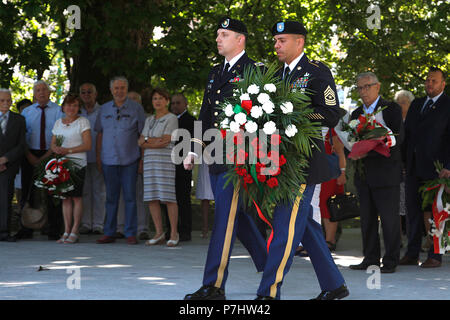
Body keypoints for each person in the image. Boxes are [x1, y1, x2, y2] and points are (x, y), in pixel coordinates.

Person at [183, 17, 268, 300]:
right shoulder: (215, 72)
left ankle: (213, 285)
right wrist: (194, 148)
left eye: (224, 34)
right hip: (216, 156)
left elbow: (264, 117)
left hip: (240, 158)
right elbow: (205, 113)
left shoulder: (256, 71)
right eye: (218, 34)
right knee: (236, 214)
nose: (218, 39)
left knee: (224, 219)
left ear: (240, 39)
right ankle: (270, 265)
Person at [349, 72, 404, 273]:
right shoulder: (355, 115)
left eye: (367, 86)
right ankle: (370, 259)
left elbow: (398, 138)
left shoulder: (392, 109)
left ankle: (390, 260)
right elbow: (349, 141)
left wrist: (374, 144)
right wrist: (355, 150)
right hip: (364, 174)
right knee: (367, 219)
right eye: (360, 88)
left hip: (386, 173)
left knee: (389, 220)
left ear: (377, 86)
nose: (363, 91)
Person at [401, 67, 450, 268]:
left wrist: (448, 166)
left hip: (438, 169)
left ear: (443, 84)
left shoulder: (448, 105)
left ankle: (435, 255)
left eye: (434, 81)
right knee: (412, 210)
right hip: (413, 167)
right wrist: (403, 162)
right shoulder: (417, 104)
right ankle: (412, 253)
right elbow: (407, 135)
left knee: (437, 211)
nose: (430, 84)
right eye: (428, 80)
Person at [95, 76, 146, 245]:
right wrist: (98, 157)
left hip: (130, 159)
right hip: (108, 159)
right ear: (111, 90)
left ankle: (130, 232)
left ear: (127, 89)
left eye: (122, 88)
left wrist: (141, 160)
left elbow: (142, 136)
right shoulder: (103, 109)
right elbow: (100, 134)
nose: (119, 91)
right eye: (116, 88)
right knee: (110, 197)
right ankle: (109, 232)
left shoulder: (136, 108)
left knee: (131, 197)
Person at [17, 80, 64, 240]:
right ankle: (26, 227)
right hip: (29, 154)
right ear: (34, 93)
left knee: (52, 193)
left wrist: (46, 156)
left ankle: (53, 228)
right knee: (27, 191)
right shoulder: (27, 112)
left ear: (49, 92)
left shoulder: (58, 111)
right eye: (38, 90)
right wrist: (29, 155)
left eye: (44, 89)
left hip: (51, 153)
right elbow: (21, 137)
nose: (41, 93)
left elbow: (59, 136)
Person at [138, 88, 179, 247]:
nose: (157, 101)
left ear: (167, 101)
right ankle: (159, 232)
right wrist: (149, 141)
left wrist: (148, 141)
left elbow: (166, 141)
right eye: (155, 98)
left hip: (165, 162)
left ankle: (174, 233)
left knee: (168, 197)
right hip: (149, 162)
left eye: (161, 98)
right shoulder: (149, 120)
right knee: (152, 197)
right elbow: (139, 141)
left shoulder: (171, 118)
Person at [51, 93, 92, 243]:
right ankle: (66, 230)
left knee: (76, 197)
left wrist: (68, 151)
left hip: (77, 164)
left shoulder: (83, 122)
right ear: (63, 107)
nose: (71, 108)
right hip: (61, 165)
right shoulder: (57, 123)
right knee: (65, 198)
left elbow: (87, 145)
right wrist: (56, 149)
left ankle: (75, 230)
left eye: (75, 105)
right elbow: (53, 144)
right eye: (69, 105)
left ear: (78, 108)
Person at [114, 91, 150, 240]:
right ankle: (121, 227)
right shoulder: (120, 117)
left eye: (136, 99)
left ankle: (142, 228)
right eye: (130, 100)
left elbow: (145, 142)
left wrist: (142, 160)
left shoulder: (148, 119)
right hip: (122, 162)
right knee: (123, 195)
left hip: (139, 160)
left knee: (141, 195)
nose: (133, 102)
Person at [79, 83, 105, 235]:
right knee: (84, 192)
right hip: (80, 158)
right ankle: (86, 223)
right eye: (83, 92)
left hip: (99, 157)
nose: (86, 95)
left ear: (95, 94)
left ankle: (98, 224)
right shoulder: (77, 111)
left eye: (89, 92)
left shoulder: (103, 111)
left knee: (99, 192)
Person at [0, 89, 26, 242]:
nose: (5, 103)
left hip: (8, 165)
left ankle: (4, 231)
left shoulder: (19, 120)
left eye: (8, 100)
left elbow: (21, 145)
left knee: (5, 197)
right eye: (2, 100)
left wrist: (4, 160)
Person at [169, 93, 196, 241]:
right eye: (172, 103)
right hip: (169, 163)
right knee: (169, 198)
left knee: (183, 198)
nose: (174, 106)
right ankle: (171, 230)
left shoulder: (191, 120)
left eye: (178, 103)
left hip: (184, 164)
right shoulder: (168, 119)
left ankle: (185, 231)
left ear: (185, 104)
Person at [320, 128, 346, 251]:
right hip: (320, 174)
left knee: (329, 207)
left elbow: (340, 151)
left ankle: (330, 240)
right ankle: (324, 239)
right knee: (321, 207)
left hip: (331, 174)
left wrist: (342, 172)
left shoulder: (330, 131)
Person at [394, 90, 415, 245]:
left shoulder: (414, 120)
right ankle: (398, 238)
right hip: (396, 168)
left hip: (411, 168)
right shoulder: (394, 120)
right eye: (399, 102)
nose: (401, 105)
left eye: (404, 102)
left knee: (410, 205)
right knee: (397, 205)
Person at [196, 161, 214, 238]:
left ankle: (223, 227)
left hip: (221, 157)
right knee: (205, 197)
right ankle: (205, 228)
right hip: (206, 160)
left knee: (222, 196)